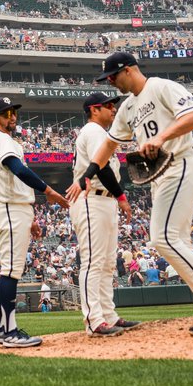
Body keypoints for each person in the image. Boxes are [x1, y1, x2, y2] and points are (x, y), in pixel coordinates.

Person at [66, 51, 193, 338]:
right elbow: (109, 146)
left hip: (183, 162)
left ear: (128, 70)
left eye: (112, 76)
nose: (110, 82)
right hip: (160, 177)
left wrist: (161, 137)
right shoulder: (127, 109)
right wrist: (85, 176)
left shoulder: (160, 86)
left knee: (163, 238)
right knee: (175, 239)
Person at [0, 96, 70, 348]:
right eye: (5, 113)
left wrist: (30, 216)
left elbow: (15, 180)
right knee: (10, 271)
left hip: (14, 208)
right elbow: (18, 170)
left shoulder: (5, 140)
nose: (12, 116)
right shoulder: (0, 139)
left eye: (13, 112)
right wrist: (48, 190)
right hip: (8, 209)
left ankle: (0, 329)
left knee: (8, 270)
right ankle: (9, 332)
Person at [70, 91, 139, 338]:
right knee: (94, 261)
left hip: (104, 201)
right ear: (93, 110)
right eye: (108, 106)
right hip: (92, 199)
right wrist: (122, 196)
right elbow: (102, 167)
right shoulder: (93, 131)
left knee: (108, 263)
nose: (113, 109)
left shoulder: (102, 133)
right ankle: (94, 320)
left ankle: (108, 315)